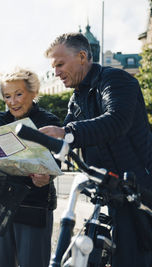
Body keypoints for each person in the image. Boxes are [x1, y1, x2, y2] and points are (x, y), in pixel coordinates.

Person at [41, 32, 152, 267]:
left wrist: (66, 132)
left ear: (82, 56)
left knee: (137, 257)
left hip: (141, 189)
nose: (57, 72)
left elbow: (116, 121)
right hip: (112, 193)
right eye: (54, 67)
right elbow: (65, 142)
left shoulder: (115, 80)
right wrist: (43, 166)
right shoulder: (76, 99)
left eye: (60, 64)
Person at [0, 67, 61, 267]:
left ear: (33, 92)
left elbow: (58, 158)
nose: (12, 101)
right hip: (1, 205)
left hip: (34, 204)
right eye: (7, 96)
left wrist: (48, 175)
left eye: (18, 94)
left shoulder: (49, 121)